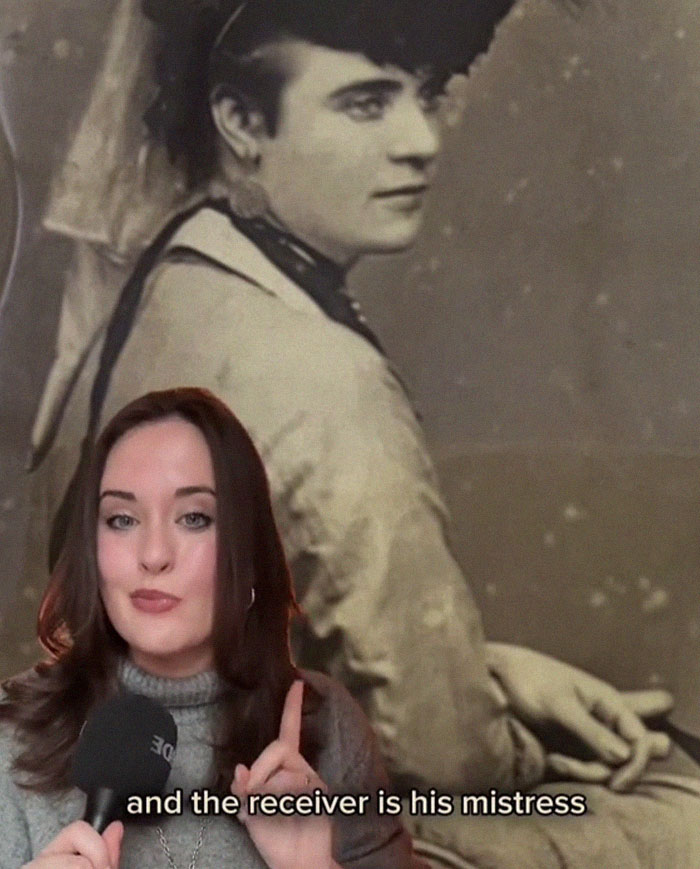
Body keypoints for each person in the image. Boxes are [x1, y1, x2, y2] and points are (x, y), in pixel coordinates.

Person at [20, 1, 700, 865]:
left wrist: (492, 671)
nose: (422, 140)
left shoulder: (174, 273)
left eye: (427, 94)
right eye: (366, 103)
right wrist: (512, 741)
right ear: (241, 121)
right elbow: (446, 765)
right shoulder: (323, 382)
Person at [1, 387, 422, 868]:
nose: (154, 555)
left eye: (194, 518)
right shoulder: (11, 735)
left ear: (246, 547)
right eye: (121, 519)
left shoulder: (326, 726)